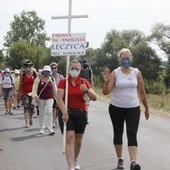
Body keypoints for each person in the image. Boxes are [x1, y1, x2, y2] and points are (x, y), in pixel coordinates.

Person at [102, 48, 149, 170]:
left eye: (128, 58)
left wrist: (147, 108)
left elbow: (142, 92)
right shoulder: (115, 73)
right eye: (123, 58)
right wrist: (106, 82)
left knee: (132, 133)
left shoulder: (136, 73)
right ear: (119, 60)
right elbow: (106, 92)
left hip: (133, 107)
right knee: (118, 132)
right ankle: (120, 159)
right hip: (116, 107)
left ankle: (133, 162)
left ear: (131, 59)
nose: (126, 60)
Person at [57, 60, 97, 170]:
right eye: (72, 68)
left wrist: (87, 90)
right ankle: (70, 166)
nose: (74, 70)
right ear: (69, 69)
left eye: (77, 69)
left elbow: (94, 97)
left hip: (81, 113)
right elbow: (59, 98)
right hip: (67, 113)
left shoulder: (84, 82)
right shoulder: (63, 81)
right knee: (70, 139)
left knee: (78, 141)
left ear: (80, 70)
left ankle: (75, 160)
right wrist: (64, 112)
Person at [32, 65, 57, 135]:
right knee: (41, 113)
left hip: (50, 97)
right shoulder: (38, 79)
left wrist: (58, 100)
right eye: (45, 71)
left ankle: (50, 128)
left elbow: (55, 90)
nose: (47, 73)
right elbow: (34, 89)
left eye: (48, 71)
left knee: (49, 111)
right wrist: (35, 96)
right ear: (43, 72)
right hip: (41, 98)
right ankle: (41, 127)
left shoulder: (52, 79)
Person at [18, 59, 37, 128]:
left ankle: (30, 118)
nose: (28, 67)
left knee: (32, 108)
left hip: (33, 93)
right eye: (27, 66)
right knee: (26, 107)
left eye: (29, 65)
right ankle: (26, 122)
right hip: (25, 93)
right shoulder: (23, 74)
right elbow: (20, 84)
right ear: (25, 66)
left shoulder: (35, 74)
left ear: (31, 66)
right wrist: (18, 95)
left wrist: (37, 94)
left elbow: (37, 84)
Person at [50, 62, 64, 128]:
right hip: (51, 94)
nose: (54, 69)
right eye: (52, 68)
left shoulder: (60, 77)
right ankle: (53, 121)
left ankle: (56, 119)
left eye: (55, 68)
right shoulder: (50, 77)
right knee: (53, 108)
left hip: (59, 94)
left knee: (58, 108)